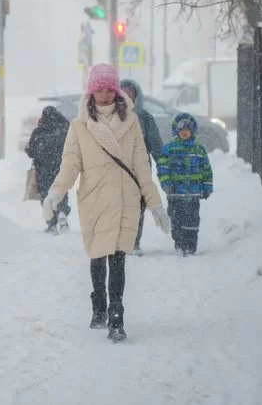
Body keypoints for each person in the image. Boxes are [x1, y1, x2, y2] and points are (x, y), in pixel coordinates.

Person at [43, 63, 171, 342]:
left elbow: (141, 167)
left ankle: (117, 317)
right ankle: (98, 304)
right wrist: (56, 192)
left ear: (115, 90)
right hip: (95, 200)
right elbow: (70, 164)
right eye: (98, 90)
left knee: (118, 258)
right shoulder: (79, 125)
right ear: (91, 92)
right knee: (98, 256)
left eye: (108, 90)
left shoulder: (132, 122)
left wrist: (155, 204)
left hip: (125, 199)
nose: (103, 95)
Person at [156, 112, 213, 257]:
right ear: (176, 131)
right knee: (176, 221)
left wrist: (207, 186)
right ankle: (180, 244)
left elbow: (206, 169)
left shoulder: (199, 150)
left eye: (188, 131)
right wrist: (166, 183)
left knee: (192, 221)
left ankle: (191, 246)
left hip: (193, 194)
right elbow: (163, 168)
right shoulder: (169, 149)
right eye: (182, 131)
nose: (185, 133)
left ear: (192, 131)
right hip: (175, 194)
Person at [120, 78, 163, 256]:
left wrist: (163, 166)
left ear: (137, 97)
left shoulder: (144, 117)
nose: (127, 98)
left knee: (137, 206)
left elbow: (156, 144)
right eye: (123, 94)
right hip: (118, 170)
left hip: (140, 170)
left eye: (131, 94)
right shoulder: (110, 117)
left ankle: (134, 242)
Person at [25, 106, 71, 233]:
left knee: (46, 195)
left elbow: (31, 151)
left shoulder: (39, 132)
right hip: (61, 168)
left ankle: (52, 223)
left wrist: (28, 149)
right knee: (61, 192)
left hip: (43, 171)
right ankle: (62, 211)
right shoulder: (64, 130)